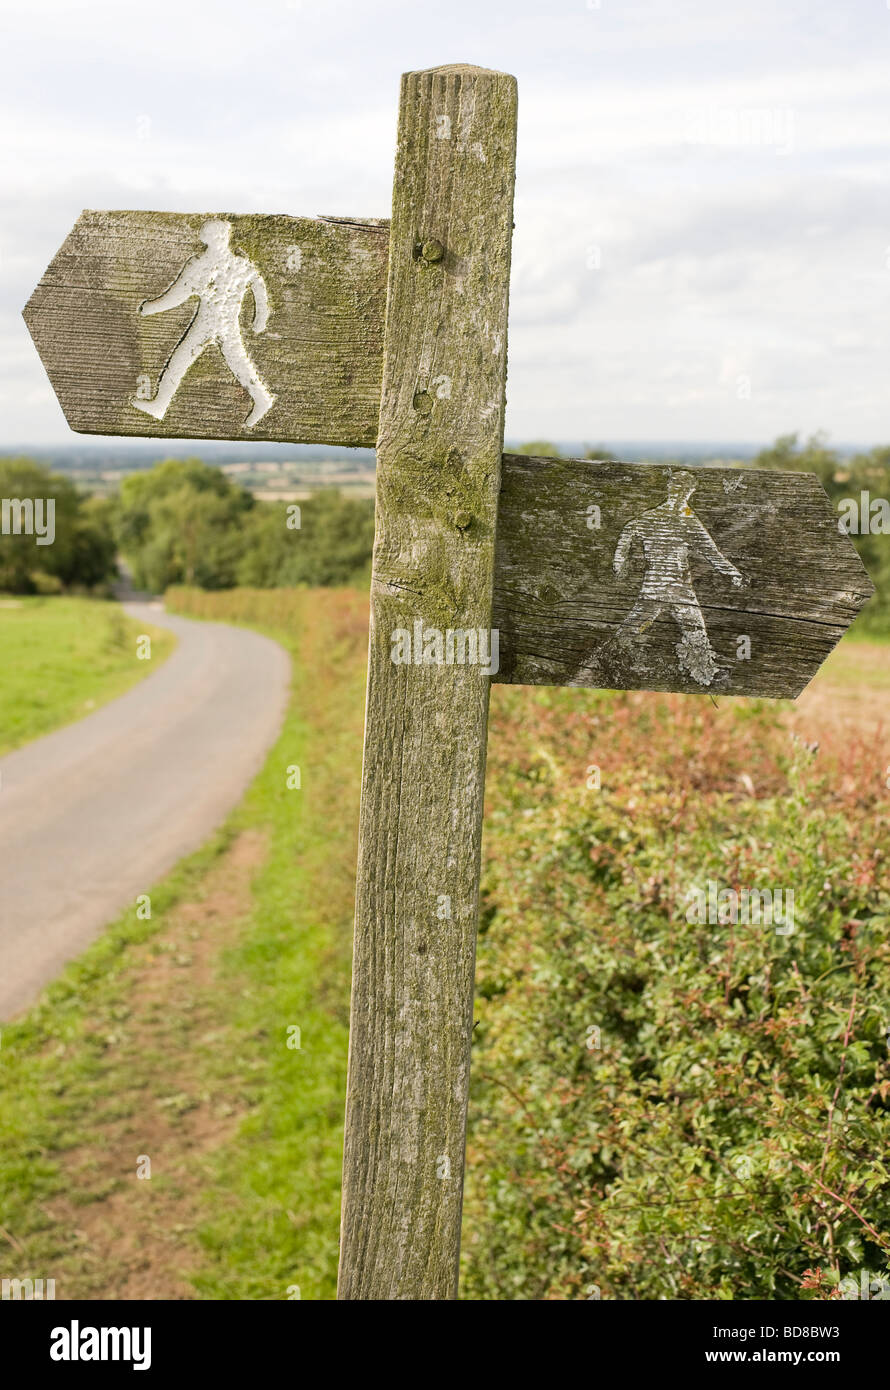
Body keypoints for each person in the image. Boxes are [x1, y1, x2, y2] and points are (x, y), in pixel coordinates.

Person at [131, 218, 275, 429]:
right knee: (235, 362)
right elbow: (259, 288)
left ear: (209, 238)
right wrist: (260, 318)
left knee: (183, 360)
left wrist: (150, 308)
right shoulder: (239, 264)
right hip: (220, 323)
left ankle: (160, 404)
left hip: (211, 324)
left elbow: (176, 296)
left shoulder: (201, 265)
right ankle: (262, 399)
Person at [609, 471, 744, 685]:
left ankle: (610, 659)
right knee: (694, 628)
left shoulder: (653, 517)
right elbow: (713, 554)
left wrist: (619, 559)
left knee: (636, 627)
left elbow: (628, 530)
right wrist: (734, 574)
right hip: (674, 589)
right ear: (686, 491)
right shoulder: (686, 520)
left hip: (659, 588)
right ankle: (706, 673)